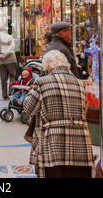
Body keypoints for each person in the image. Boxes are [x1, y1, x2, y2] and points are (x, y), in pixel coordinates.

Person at [23, 50, 93, 178]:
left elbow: (28, 108)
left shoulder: (42, 82)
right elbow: (85, 110)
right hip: (81, 143)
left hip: (54, 143)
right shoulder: (80, 84)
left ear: (49, 67)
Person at [0, 29, 17, 99]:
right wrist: (5, 55)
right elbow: (12, 47)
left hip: (1, 62)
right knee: (12, 77)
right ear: (5, 31)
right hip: (11, 60)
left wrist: (0, 56)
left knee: (3, 78)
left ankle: (4, 94)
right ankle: (11, 93)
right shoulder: (9, 37)